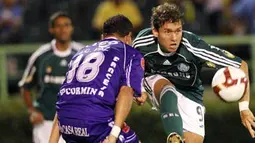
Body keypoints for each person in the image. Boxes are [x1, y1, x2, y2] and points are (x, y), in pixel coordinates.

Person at [133, 3, 255, 143]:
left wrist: (244, 108)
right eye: (168, 31)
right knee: (167, 88)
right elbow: (131, 65)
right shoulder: (142, 43)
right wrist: (139, 89)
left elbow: (241, 65)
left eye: (178, 31)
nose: (174, 38)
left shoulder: (193, 46)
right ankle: (174, 137)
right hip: (155, 81)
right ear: (155, 31)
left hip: (189, 92)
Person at [49, 14, 146, 143]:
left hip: (66, 124)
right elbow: (126, 91)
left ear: (102, 37)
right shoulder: (129, 52)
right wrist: (113, 136)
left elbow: (66, 96)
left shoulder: (80, 52)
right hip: (95, 124)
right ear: (128, 37)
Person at [18, 11, 84, 143]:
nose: (63, 29)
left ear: (72, 28)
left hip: (75, 123)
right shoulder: (41, 55)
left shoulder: (82, 54)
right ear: (51, 29)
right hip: (45, 123)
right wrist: (32, 111)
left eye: (66, 25)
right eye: (58, 26)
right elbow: (25, 87)